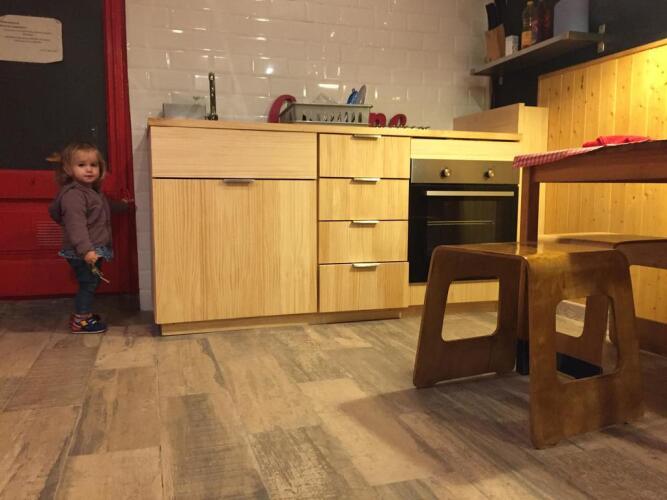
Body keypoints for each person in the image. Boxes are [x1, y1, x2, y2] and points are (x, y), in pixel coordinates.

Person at [48, 142, 126, 333]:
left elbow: (105, 207)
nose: (89, 169)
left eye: (94, 165)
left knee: (91, 282)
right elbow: (76, 226)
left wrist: (125, 206)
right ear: (68, 169)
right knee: (88, 284)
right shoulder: (74, 195)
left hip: (90, 248)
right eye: (81, 165)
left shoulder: (92, 191)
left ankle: (84, 314)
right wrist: (86, 250)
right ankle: (81, 320)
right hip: (83, 250)